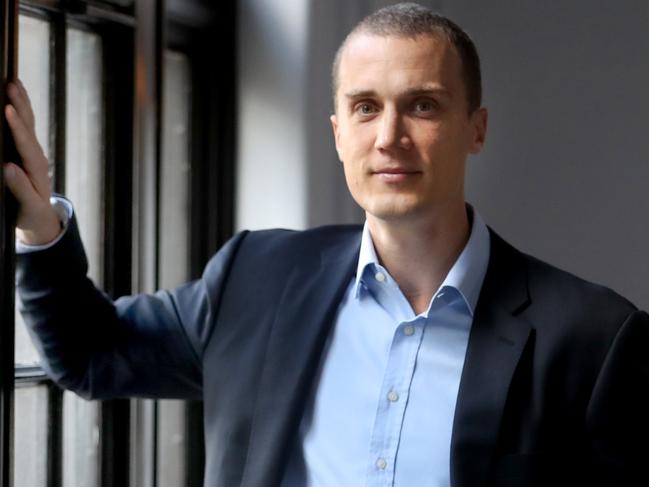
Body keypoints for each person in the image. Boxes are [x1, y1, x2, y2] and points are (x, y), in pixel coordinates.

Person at [5, 3, 648, 486]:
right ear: (339, 132)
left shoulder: (595, 338)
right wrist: (37, 218)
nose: (389, 136)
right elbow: (90, 352)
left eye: (422, 106)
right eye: (366, 108)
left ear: (475, 129)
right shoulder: (255, 279)